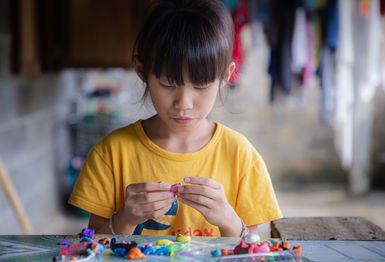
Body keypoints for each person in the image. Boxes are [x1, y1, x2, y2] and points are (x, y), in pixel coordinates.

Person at [68, 0, 282, 237]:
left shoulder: (241, 156)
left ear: (226, 76)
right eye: (168, 84)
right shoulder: (111, 153)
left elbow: (252, 252)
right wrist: (125, 218)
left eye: (201, 85)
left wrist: (229, 220)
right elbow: (93, 246)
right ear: (142, 70)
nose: (184, 103)